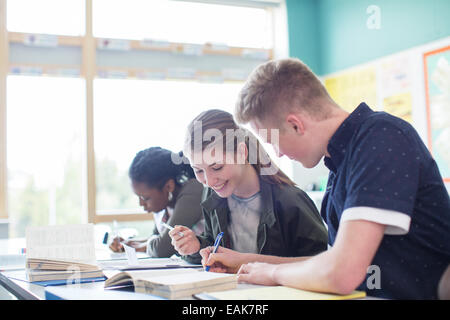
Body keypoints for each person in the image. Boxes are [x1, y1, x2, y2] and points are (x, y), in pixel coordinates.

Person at [232, 58, 450, 300]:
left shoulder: (381, 137)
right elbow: (330, 261)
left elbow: (341, 273)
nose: (278, 153)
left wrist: (274, 274)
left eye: (272, 141)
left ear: (295, 125)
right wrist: (252, 264)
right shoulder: (341, 160)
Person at [168, 109, 328, 272]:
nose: (209, 181)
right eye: (199, 171)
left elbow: (324, 264)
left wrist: (248, 263)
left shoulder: (290, 201)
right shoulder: (213, 195)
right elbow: (215, 245)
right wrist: (197, 247)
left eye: (217, 167)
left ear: (242, 153)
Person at [109, 147, 205, 258]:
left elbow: (162, 249)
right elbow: (156, 237)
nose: (141, 204)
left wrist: (137, 246)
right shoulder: (165, 203)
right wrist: (128, 243)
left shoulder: (192, 191)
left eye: (145, 198)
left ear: (169, 186)